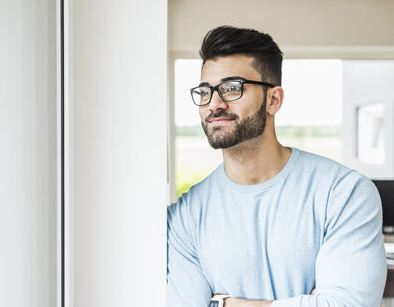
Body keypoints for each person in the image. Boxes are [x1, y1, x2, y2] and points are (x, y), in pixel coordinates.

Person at [165, 25, 387, 307]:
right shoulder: (185, 217)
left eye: (232, 88)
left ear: (273, 99)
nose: (214, 104)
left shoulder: (344, 193)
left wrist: (225, 303)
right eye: (205, 91)